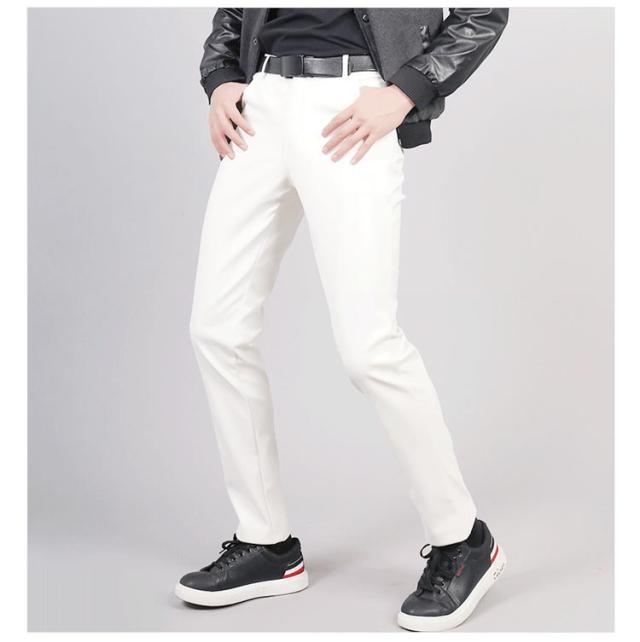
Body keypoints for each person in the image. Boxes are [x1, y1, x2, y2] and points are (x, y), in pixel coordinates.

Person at [175, 8, 509, 632]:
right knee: (217, 331)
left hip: (354, 104)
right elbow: (234, 14)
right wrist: (220, 77)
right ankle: (267, 543)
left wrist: (406, 91)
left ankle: (463, 540)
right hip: (262, 104)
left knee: (368, 347)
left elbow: (483, 11)